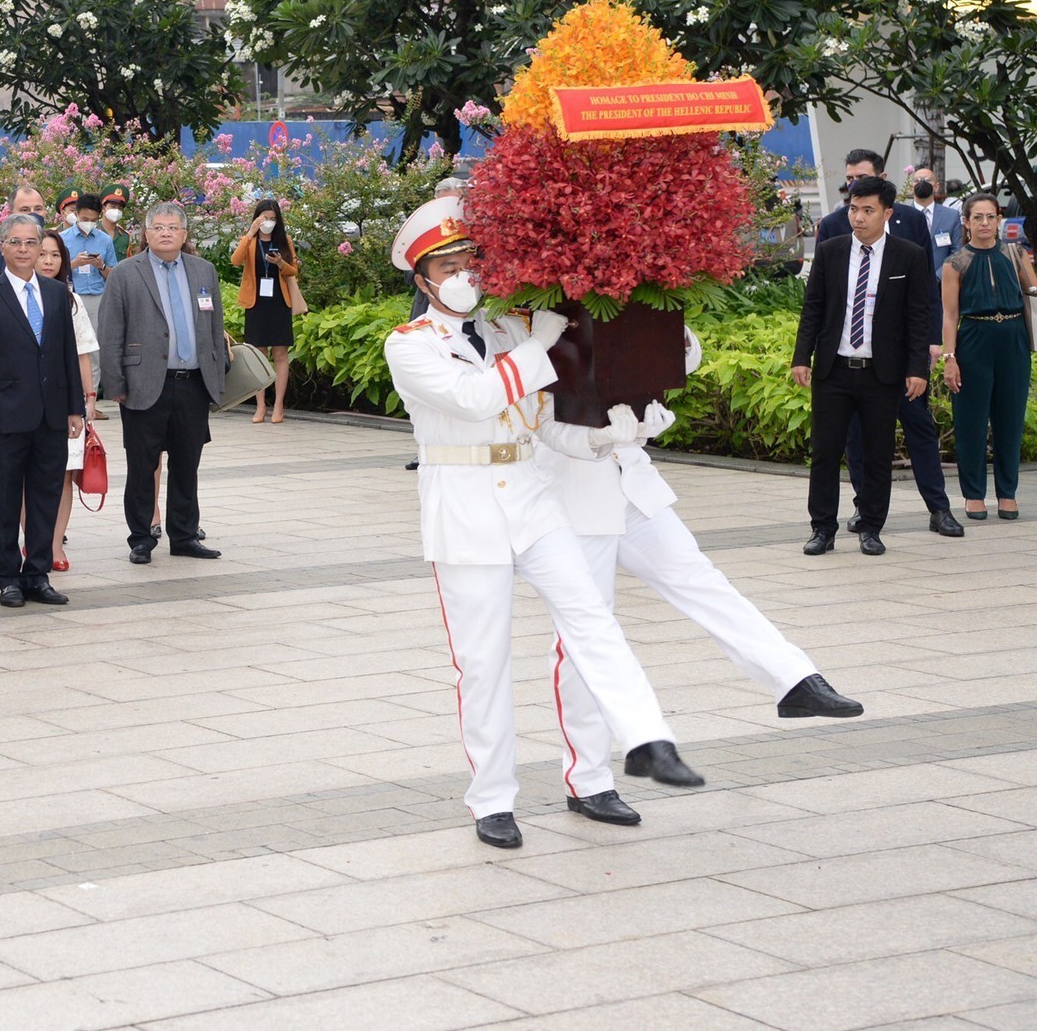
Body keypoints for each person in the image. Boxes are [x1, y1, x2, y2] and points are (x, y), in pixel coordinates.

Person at [382, 195, 700, 848]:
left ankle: (648, 738)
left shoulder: (507, 330)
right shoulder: (408, 345)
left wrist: (608, 438)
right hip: (466, 512)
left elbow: (546, 424)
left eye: (471, 257)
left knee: (591, 617)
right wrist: (541, 343)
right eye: (447, 265)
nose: (465, 272)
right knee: (484, 661)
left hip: (531, 497)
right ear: (422, 281)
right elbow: (476, 399)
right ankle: (492, 799)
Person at [540, 377, 863, 826]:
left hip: (630, 481)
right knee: (584, 635)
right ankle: (588, 780)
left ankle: (794, 680)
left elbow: (678, 354)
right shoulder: (521, 316)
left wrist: (663, 343)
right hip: (572, 492)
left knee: (701, 580)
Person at [816, 150, 962, 539]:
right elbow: (823, 296)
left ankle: (939, 508)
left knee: (919, 428)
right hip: (855, 360)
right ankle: (866, 511)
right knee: (859, 441)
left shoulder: (913, 220)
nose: (853, 190)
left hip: (903, 356)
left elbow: (926, 290)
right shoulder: (833, 226)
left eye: (861, 180)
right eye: (849, 183)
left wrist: (932, 342)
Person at [794, 174, 938, 556]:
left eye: (868, 210)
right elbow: (813, 308)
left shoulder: (909, 255)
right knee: (825, 452)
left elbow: (918, 317)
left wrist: (918, 368)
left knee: (877, 453)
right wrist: (800, 358)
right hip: (834, 369)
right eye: (854, 209)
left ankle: (871, 527)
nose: (858, 217)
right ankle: (822, 528)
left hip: (882, 372)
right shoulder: (832, 251)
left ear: (887, 213)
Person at [96, 201, 230, 565]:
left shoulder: (204, 271)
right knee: (142, 465)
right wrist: (114, 384)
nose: (166, 232)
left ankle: (185, 535)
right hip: (143, 383)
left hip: (192, 384)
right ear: (146, 233)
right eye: (158, 227)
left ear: (185, 234)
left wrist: (215, 379)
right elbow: (110, 333)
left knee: (187, 463)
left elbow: (215, 329)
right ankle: (141, 538)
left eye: (173, 227)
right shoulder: (125, 273)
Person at [0, 212, 84, 608]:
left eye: (30, 242)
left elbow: (67, 353)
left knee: (45, 496)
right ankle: (8, 578)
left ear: (40, 248)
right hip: (6, 418)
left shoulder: (55, 293)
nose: (23, 249)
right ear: (2, 247)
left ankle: (37, 573)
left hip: (51, 416)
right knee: (4, 500)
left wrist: (75, 409)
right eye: (14, 242)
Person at [940, 192, 1036, 520]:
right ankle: (973, 494)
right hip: (973, 340)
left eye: (991, 216)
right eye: (977, 217)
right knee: (971, 420)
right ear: (965, 222)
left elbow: (1034, 293)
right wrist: (950, 358)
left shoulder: (1015, 253)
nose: (985, 223)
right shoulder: (955, 264)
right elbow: (950, 315)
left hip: (1013, 339)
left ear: (999, 220)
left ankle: (1007, 493)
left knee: (1010, 418)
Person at [38, 230, 102, 571]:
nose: (48, 261)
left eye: (55, 255)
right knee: (27, 476)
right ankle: (32, 540)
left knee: (63, 474)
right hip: (29, 401)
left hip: (66, 402)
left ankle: (54, 544)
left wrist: (88, 398)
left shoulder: (71, 301)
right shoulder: (16, 297)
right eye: (43, 254)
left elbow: (82, 355)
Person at [233, 198, 300, 425]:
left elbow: (293, 271)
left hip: (279, 302)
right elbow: (235, 260)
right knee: (259, 354)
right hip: (257, 302)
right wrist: (250, 233)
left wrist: (280, 262)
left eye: (272, 219)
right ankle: (260, 404)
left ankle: (278, 404)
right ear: (257, 218)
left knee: (280, 354)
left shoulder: (284, 240)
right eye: (264, 218)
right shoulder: (250, 241)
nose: (268, 223)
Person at [59, 190, 118, 413]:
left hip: (96, 298)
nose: (89, 224)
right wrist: (73, 263)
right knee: (67, 349)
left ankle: (89, 402)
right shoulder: (62, 239)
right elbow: (53, 270)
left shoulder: (105, 240)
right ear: (76, 215)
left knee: (93, 351)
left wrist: (101, 266)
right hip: (70, 296)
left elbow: (114, 275)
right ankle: (66, 400)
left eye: (93, 220)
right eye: (84, 219)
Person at [0, 184, 47, 292]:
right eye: (25, 210)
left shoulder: (58, 248)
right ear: (11, 214)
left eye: (38, 209)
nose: (32, 214)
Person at [912, 168, 962, 274]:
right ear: (911, 187)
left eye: (927, 180)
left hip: (941, 282)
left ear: (937, 187)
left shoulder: (951, 216)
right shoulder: (900, 216)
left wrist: (938, 277)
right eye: (917, 180)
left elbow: (956, 252)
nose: (922, 183)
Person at [98, 183, 134, 263]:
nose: (116, 211)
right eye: (113, 207)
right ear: (103, 208)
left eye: (120, 208)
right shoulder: (93, 231)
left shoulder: (125, 237)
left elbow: (128, 264)